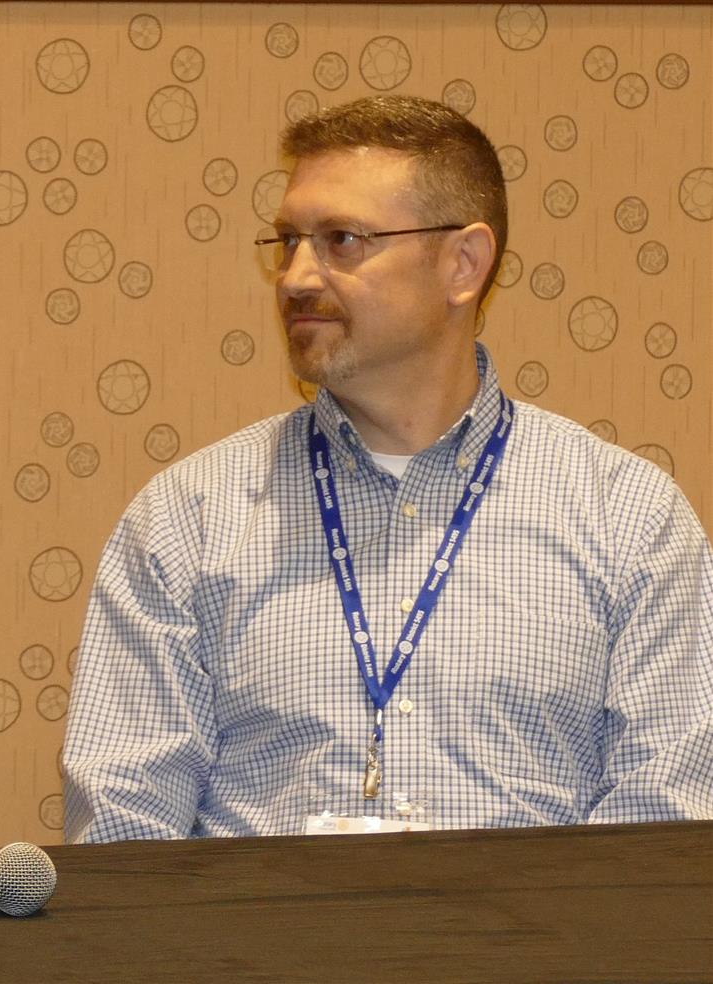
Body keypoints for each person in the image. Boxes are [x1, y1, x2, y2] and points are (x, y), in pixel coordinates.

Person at [62, 95, 713, 841]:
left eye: (341, 240)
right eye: (288, 241)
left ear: (463, 264)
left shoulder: (629, 518)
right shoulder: (187, 518)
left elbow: (666, 836)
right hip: (262, 924)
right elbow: (123, 831)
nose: (295, 277)